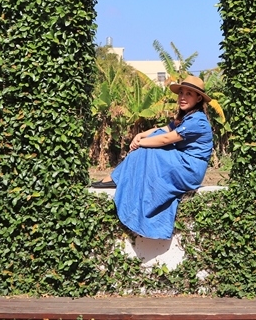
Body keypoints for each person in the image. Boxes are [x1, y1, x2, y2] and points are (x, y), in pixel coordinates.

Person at [91, 75, 214, 240]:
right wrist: (141, 135)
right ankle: (116, 177)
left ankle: (115, 178)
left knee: (147, 149)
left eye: (189, 94)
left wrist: (141, 143)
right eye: (181, 93)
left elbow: (166, 139)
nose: (183, 97)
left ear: (199, 98)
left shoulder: (197, 120)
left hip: (189, 169)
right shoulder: (187, 117)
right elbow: (164, 130)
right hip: (183, 163)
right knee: (149, 142)